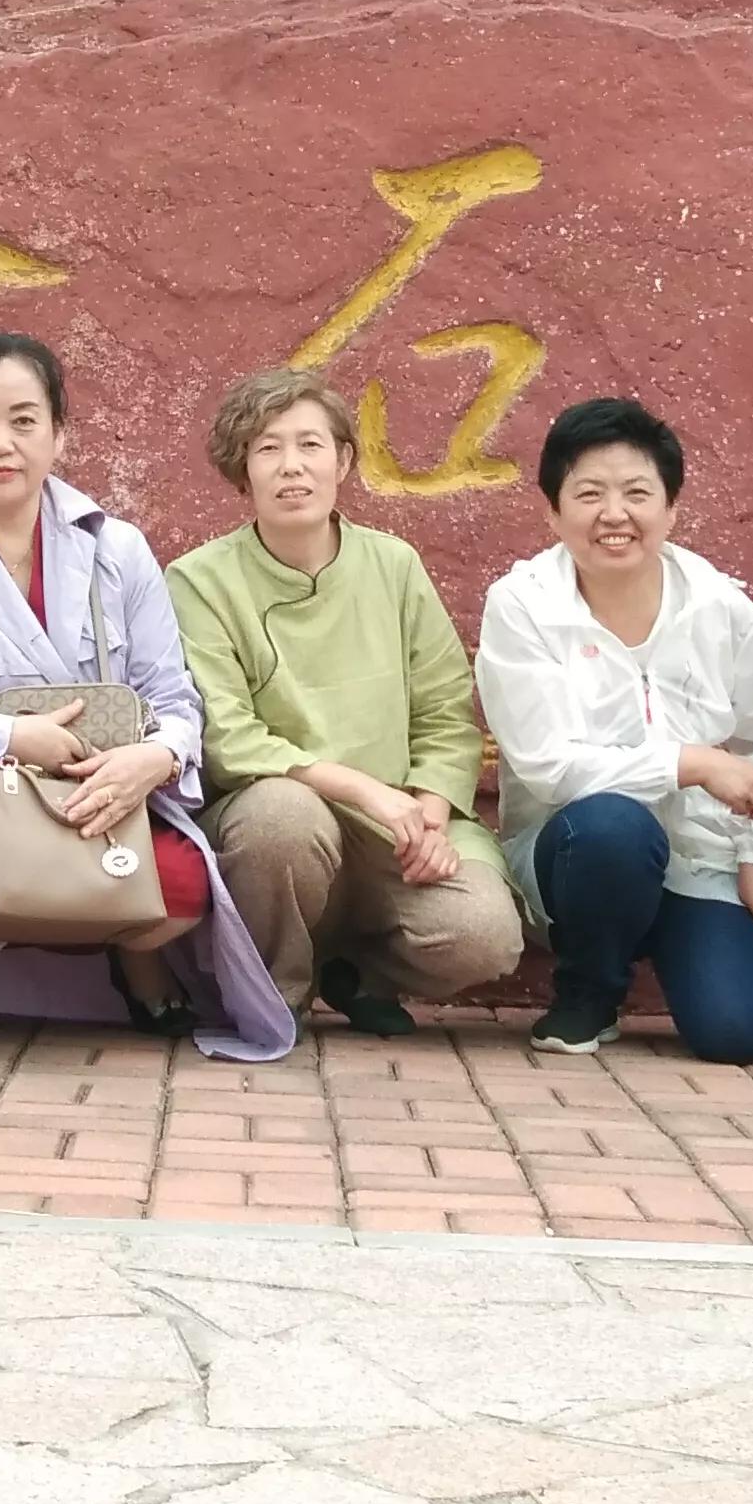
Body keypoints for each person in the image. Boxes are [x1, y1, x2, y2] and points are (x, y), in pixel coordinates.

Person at [0, 332, 293, 1055]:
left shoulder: (116, 550)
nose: (0, 442)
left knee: (181, 886)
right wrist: (7, 742)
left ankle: (136, 952)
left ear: (60, 436)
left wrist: (152, 760)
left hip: (103, 799)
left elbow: (174, 698)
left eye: (24, 421)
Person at [168, 369, 521, 1037]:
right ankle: (276, 996)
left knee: (484, 935)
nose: (292, 467)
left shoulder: (394, 566)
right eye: (268, 449)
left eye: (310, 445)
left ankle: (359, 975)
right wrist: (364, 790)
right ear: (241, 472)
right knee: (281, 818)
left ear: (344, 461)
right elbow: (229, 739)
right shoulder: (199, 581)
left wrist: (430, 810)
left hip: (395, 824)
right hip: (283, 824)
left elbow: (446, 711)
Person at [476, 395, 753, 1062]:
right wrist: (694, 763)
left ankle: (696, 951)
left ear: (672, 508)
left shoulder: (721, 608)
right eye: (589, 493)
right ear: (552, 509)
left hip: (700, 858)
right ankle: (590, 991)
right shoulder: (523, 606)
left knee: (743, 1030)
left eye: (636, 493)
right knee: (614, 826)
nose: (614, 514)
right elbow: (547, 766)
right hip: (575, 859)